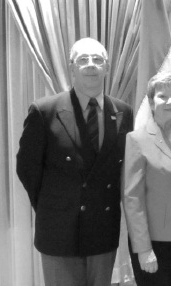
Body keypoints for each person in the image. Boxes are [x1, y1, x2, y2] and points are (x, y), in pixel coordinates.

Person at [16, 38, 133, 286]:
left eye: (97, 59)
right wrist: (56, 205)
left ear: (107, 67)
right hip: (58, 231)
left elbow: (121, 169)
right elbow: (27, 169)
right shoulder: (44, 111)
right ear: (72, 68)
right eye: (83, 59)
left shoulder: (123, 111)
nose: (91, 65)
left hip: (103, 230)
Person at [122, 71, 171, 286]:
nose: (170, 101)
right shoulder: (137, 140)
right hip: (156, 243)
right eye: (162, 96)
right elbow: (132, 199)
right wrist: (143, 248)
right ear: (150, 101)